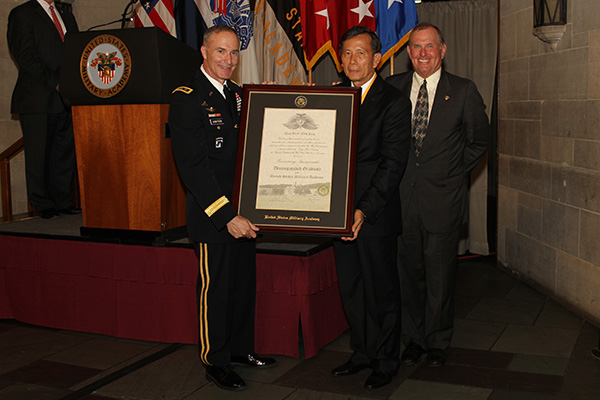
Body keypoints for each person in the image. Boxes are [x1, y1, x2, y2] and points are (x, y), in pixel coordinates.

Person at [168, 25, 275, 391]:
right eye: (220, 52)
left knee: (243, 286)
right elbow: (192, 167)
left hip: (245, 214)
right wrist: (226, 215)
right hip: (214, 217)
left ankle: (242, 350)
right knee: (216, 292)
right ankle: (215, 361)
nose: (228, 60)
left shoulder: (240, 95)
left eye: (233, 53)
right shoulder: (186, 97)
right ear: (204, 51)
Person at [386, 22, 491, 367]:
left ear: (442, 51)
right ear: (408, 53)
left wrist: (452, 172)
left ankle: (437, 341)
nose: (423, 54)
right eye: (416, 47)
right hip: (401, 201)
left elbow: (479, 141)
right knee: (408, 275)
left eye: (430, 46)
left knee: (440, 277)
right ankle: (413, 338)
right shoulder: (393, 89)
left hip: (443, 200)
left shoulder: (462, 91)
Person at [330, 26, 411, 389]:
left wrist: (363, 210)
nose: (352, 60)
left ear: (377, 59)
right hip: (334, 212)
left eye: (360, 53)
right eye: (346, 53)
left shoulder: (393, 101)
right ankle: (362, 352)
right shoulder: (332, 98)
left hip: (373, 215)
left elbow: (392, 165)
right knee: (352, 288)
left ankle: (386, 359)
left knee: (382, 290)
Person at [7, 0, 81, 219]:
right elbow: (26, 56)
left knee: (64, 152)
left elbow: (76, 51)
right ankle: (42, 202)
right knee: (39, 153)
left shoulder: (65, 13)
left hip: (66, 96)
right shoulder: (22, 13)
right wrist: (55, 82)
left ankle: (63, 200)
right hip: (37, 96)